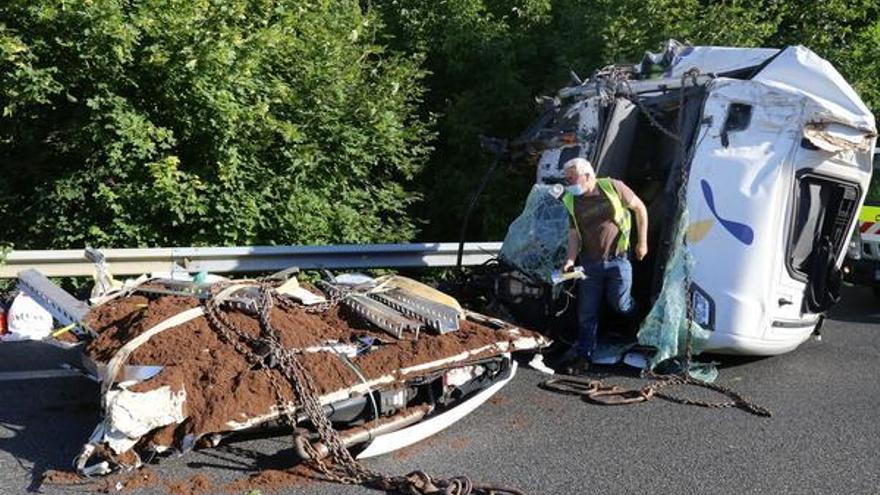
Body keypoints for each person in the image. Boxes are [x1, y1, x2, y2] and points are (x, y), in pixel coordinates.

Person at [559, 157, 649, 375]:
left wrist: (642, 242)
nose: (569, 183)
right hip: (589, 262)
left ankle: (641, 326)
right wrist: (570, 259)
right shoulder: (571, 200)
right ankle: (584, 357)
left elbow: (640, 209)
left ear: (588, 175)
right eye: (567, 179)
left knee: (620, 303)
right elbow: (573, 234)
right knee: (586, 311)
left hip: (619, 259)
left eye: (572, 178)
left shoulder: (613, 187)